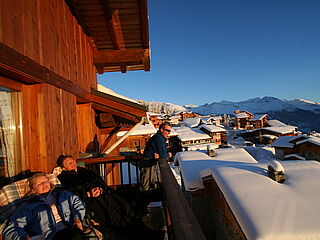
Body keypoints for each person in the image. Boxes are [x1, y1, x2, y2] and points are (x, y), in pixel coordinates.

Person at [56, 155, 164, 240]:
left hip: (106, 196)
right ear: (63, 168)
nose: (73, 163)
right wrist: (88, 194)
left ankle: (150, 233)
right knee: (118, 221)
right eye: (69, 163)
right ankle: (149, 235)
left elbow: (99, 180)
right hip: (92, 203)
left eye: (73, 161)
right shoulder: (65, 178)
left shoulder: (83, 170)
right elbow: (71, 195)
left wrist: (102, 189)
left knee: (128, 212)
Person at [2, 173, 85, 240]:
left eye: (46, 181)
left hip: (70, 229)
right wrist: (23, 237)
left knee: (76, 235)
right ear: (33, 189)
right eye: (40, 184)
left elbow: (77, 203)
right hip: (48, 236)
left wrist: (77, 219)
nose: (44, 184)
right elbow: (12, 227)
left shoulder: (61, 193)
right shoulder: (28, 205)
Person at [139, 122, 172, 192]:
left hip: (150, 162)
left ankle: (148, 198)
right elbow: (163, 155)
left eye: (170, 131)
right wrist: (168, 155)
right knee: (146, 184)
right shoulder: (159, 138)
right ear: (162, 130)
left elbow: (162, 152)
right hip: (147, 163)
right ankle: (144, 199)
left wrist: (161, 154)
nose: (169, 132)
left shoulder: (159, 138)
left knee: (150, 182)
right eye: (168, 130)